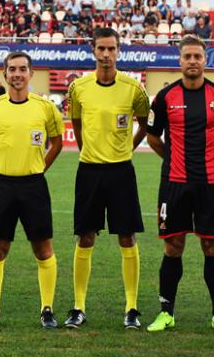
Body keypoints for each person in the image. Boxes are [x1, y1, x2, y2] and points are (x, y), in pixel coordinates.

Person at [145, 35, 214, 333]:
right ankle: (166, 312)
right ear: (180, 60)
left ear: (205, 59)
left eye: (198, 56)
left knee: (211, 246)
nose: (193, 61)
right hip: (174, 182)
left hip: (211, 182)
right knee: (174, 245)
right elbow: (152, 136)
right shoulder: (164, 97)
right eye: (187, 57)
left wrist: (213, 159)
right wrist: (172, 158)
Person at [64, 28, 150, 329]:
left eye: (111, 49)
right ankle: (78, 307)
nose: (106, 54)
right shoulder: (79, 88)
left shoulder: (133, 88)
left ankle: (131, 307)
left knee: (127, 236)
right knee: (85, 236)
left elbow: (145, 124)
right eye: (101, 48)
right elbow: (76, 124)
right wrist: (89, 149)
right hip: (89, 171)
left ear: (118, 51)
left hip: (121, 171)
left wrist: (128, 146)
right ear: (93, 50)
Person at [0, 52, 64, 328]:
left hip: (34, 185)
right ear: (4, 74)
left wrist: (39, 169)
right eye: (12, 69)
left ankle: (47, 309)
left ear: (31, 73)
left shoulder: (45, 107)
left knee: (43, 249)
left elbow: (57, 142)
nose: (17, 74)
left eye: (22, 69)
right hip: (2, 185)